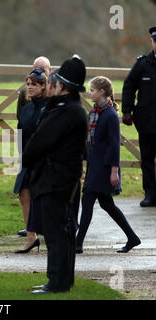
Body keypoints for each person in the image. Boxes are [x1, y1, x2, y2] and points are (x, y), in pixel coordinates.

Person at [23, 56, 88, 294]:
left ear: (62, 86)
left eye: (56, 81)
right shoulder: (67, 109)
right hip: (59, 177)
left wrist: (29, 158)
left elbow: (40, 142)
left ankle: (57, 282)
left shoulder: (67, 111)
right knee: (61, 230)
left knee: (56, 232)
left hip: (55, 179)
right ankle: (60, 280)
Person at [76, 76, 141, 254]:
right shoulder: (94, 112)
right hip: (94, 165)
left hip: (104, 167)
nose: (90, 93)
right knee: (107, 204)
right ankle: (132, 237)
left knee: (87, 200)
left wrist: (114, 171)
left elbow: (114, 145)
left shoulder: (110, 115)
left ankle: (77, 243)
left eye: (92, 90)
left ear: (102, 92)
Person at [16, 56, 52, 237]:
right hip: (26, 157)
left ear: (43, 86)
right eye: (28, 84)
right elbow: (20, 130)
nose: (29, 87)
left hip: (43, 160)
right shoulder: (26, 108)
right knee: (23, 193)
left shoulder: (48, 108)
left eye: (34, 84)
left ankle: (49, 230)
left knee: (43, 197)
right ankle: (31, 235)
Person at [122, 27, 156, 207]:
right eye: (155, 41)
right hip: (147, 122)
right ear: (152, 42)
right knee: (148, 159)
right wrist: (126, 110)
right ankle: (150, 193)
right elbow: (129, 85)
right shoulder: (143, 64)